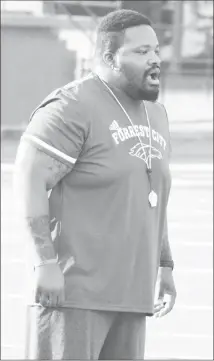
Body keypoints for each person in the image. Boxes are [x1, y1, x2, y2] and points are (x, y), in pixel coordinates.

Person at [14, 9, 177, 360]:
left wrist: (165, 264)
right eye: (140, 52)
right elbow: (28, 178)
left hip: (132, 295)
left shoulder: (158, 115)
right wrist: (43, 262)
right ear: (109, 58)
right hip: (74, 294)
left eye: (156, 51)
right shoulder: (72, 106)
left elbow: (152, 193)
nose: (154, 60)